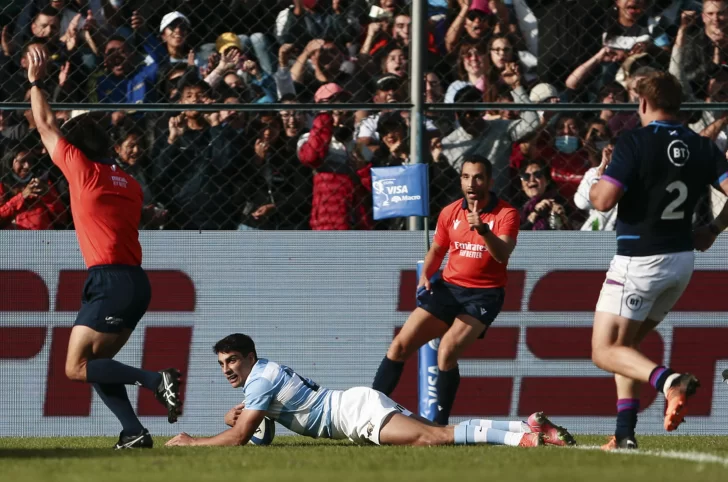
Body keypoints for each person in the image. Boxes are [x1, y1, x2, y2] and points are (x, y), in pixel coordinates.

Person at [26, 44, 183, 449]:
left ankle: (154, 380)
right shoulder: (128, 183)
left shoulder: (82, 171)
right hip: (134, 283)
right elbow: (137, 216)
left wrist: (36, 81)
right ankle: (133, 432)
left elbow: (43, 123)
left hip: (110, 281)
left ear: (77, 147)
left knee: (75, 368)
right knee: (94, 365)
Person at [588, 71, 728, 450]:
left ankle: (671, 382)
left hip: (639, 259)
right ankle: (624, 434)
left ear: (643, 103)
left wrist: (600, 177)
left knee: (604, 351)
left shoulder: (633, 141)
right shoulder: (702, 145)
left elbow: (602, 202)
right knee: (625, 348)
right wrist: (713, 229)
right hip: (680, 261)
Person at [165, 334, 576, 448]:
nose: (226, 369)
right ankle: (526, 424)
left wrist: (192, 441)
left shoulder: (260, 378)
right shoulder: (263, 375)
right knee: (433, 434)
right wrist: (230, 415)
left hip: (354, 416)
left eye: (232, 361)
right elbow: (260, 434)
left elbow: (242, 438)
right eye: (221, 364)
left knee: (437, 437)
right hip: (355, 403)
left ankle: (523, 438)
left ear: (249, 356)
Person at [370, 155, 524, 426]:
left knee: (446, 351)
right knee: (399, 346)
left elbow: (502, 255)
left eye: (477, 177)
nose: (471, 183)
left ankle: (439, 426)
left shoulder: (506, 214)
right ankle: (366, 414)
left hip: (484, 295)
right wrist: (425, 277)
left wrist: (484, 231)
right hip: (448, 288)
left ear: (489, 180)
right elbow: (437, 250)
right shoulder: (450, 212)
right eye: (465, 177)